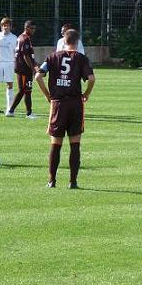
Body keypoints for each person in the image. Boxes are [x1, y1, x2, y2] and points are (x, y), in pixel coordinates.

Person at [35, 29, 95, 188]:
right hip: (75, 104)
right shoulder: (82, 58)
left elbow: (38, 76)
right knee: (75, 143)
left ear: (64, 40)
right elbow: (91, 78)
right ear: (77, 41)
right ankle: (73, 182)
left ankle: (51, 181)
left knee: (56, 143)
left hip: (58, 104)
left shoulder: (52, 57)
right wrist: (86, 94)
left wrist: (47, 95)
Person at [7, 20, 37, 118]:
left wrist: (35, 65)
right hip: (24, 68)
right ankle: (28, 113)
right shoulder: (25, 39)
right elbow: (26, 56)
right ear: (27, 28)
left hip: (22, 67)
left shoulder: (21, 37)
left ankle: (12, 111)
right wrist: (32, 68)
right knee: (25, 90)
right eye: (32, 28)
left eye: (34, 28)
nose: (33, 30)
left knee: (25, 90)